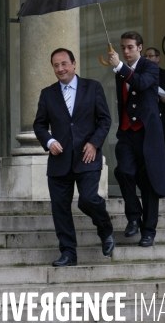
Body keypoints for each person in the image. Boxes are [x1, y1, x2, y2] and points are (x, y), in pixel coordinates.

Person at [33, 48, 114, 267]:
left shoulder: (93, 87)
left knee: (88, 199)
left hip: (87, 157)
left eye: (64, 64)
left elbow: (105, 120)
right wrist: (49, 142)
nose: (60, 69)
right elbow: (39, 124)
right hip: (59, 161)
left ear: (74, 63)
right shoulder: (47, 93)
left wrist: (94, 143)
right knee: (60, 208)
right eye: (56, 65)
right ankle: (68, 253)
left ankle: (105, 229)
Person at [108, 32, 165, 248]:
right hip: (127, 132)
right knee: (124, 171)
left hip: (148, 133)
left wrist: (120, 67)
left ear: (140, 48)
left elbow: (141, 83)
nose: (125, 52)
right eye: (123, 47)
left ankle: (148, 231)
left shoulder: (150, 67)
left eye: (129, 47)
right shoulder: (120, 71)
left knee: (149, 182)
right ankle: (134, 216)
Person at [144, 47, 165, 149]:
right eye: (145, 56)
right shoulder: (140, 75)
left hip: (162, 116)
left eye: (150, 56)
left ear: (158, 58)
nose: (147, 58)